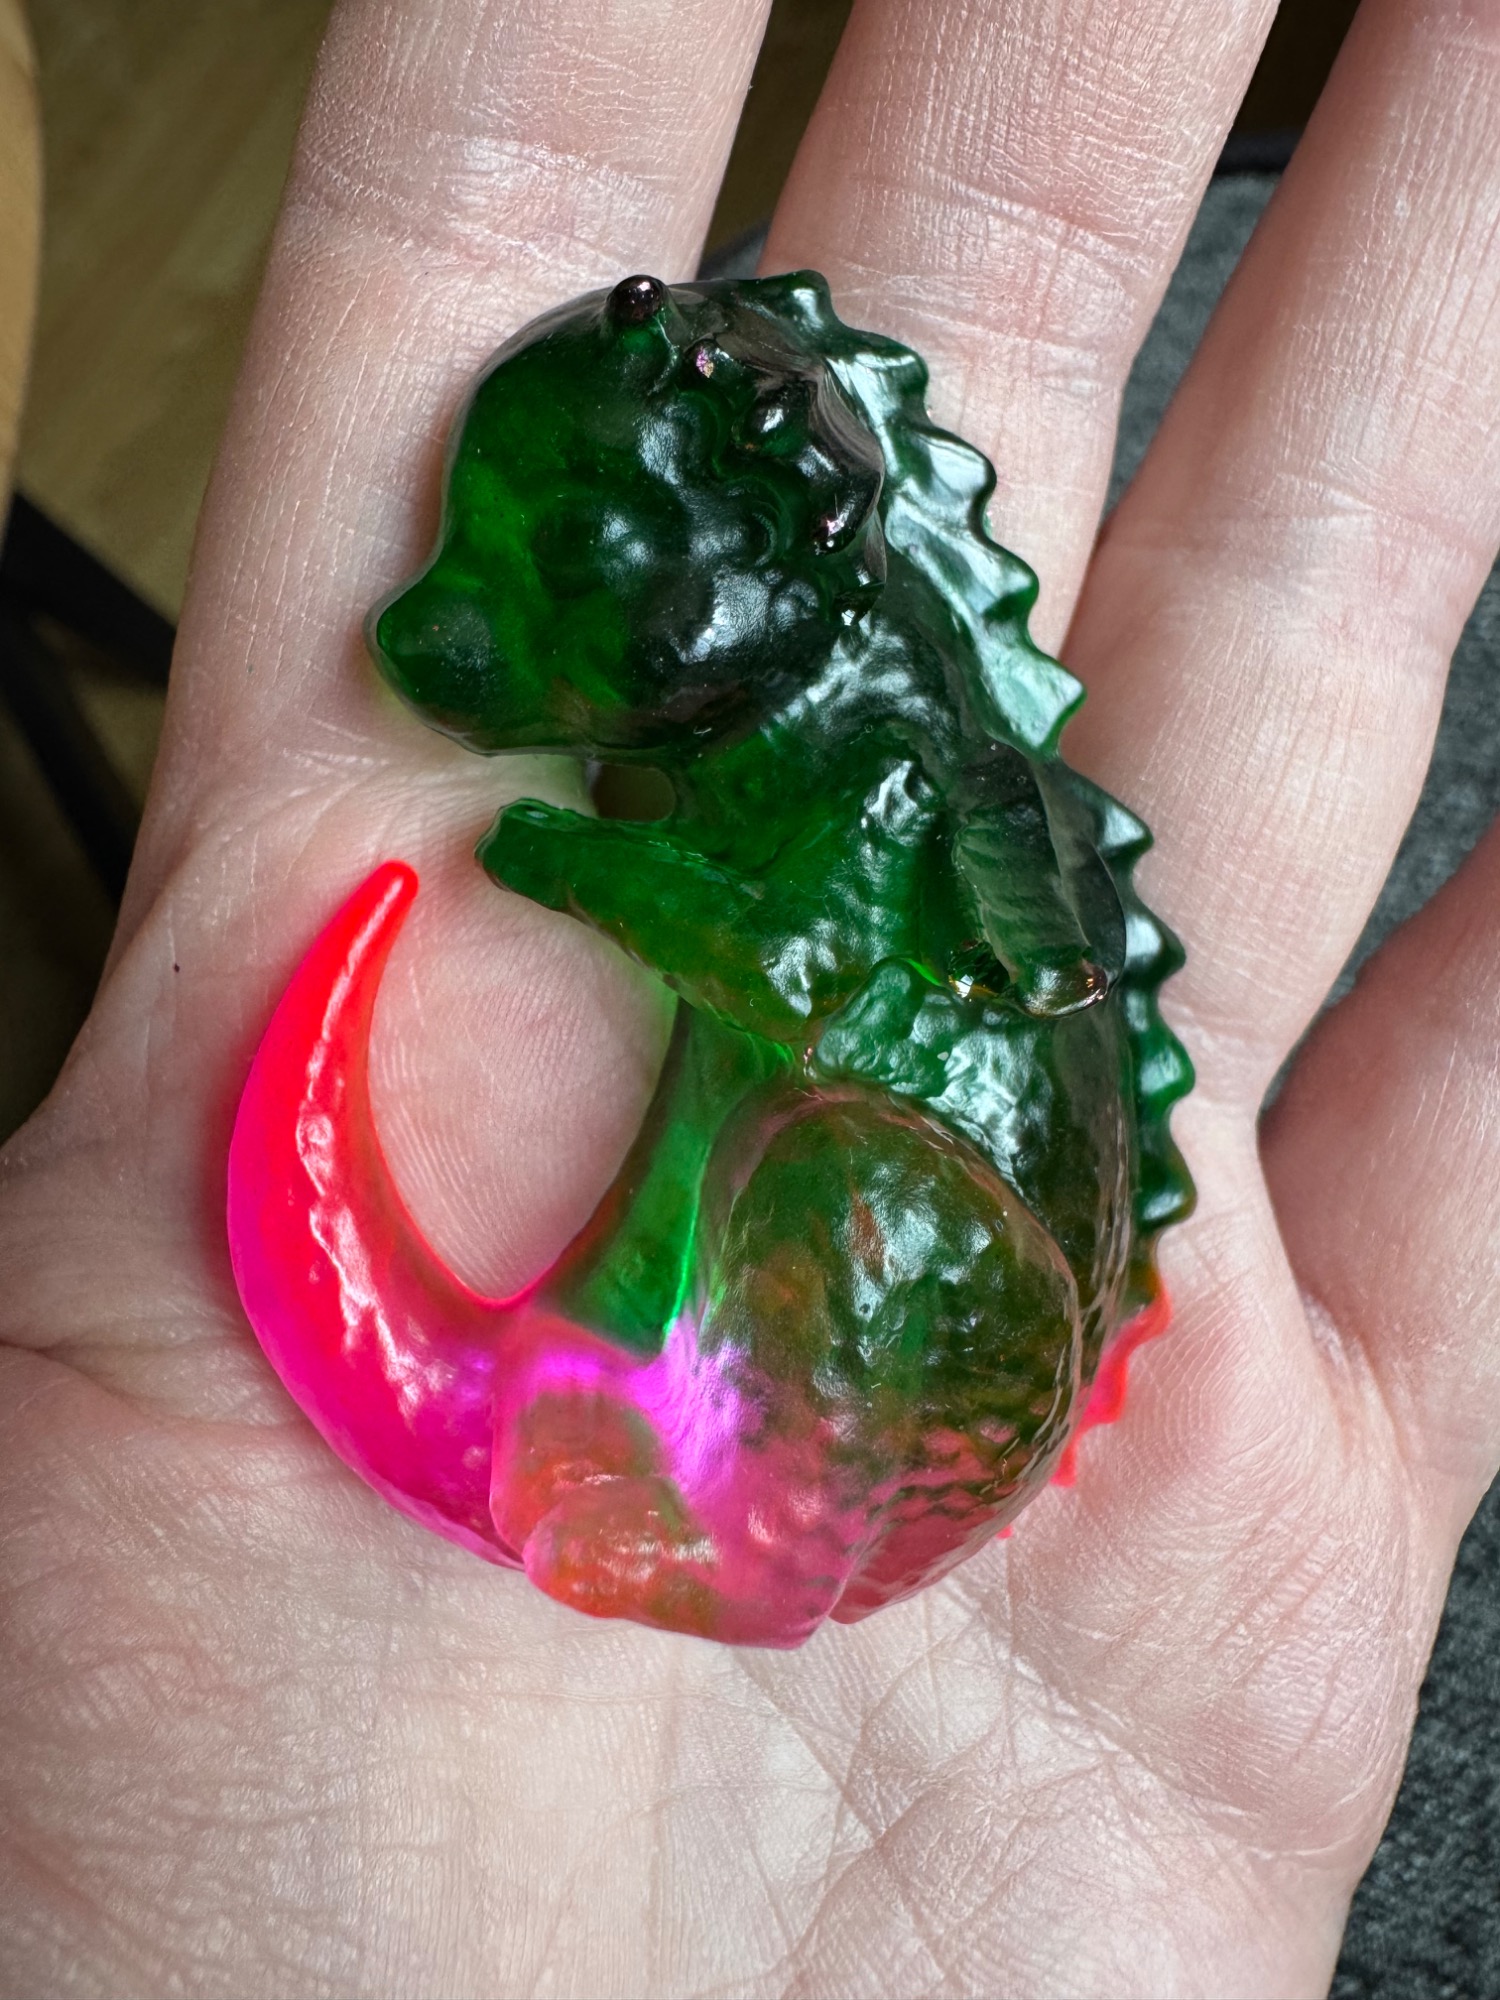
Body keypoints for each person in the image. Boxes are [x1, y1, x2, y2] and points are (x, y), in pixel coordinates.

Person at [2, 0, 1498, 1991]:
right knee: (738, 1158)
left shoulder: (876, 786)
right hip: (755, 1324)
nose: (444, 628)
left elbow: (801, 963)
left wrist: (590, 866)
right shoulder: (828, 750)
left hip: (862, 1402)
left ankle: (690, 1491)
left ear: (783, 565)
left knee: (821, 1173)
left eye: (577, 562)